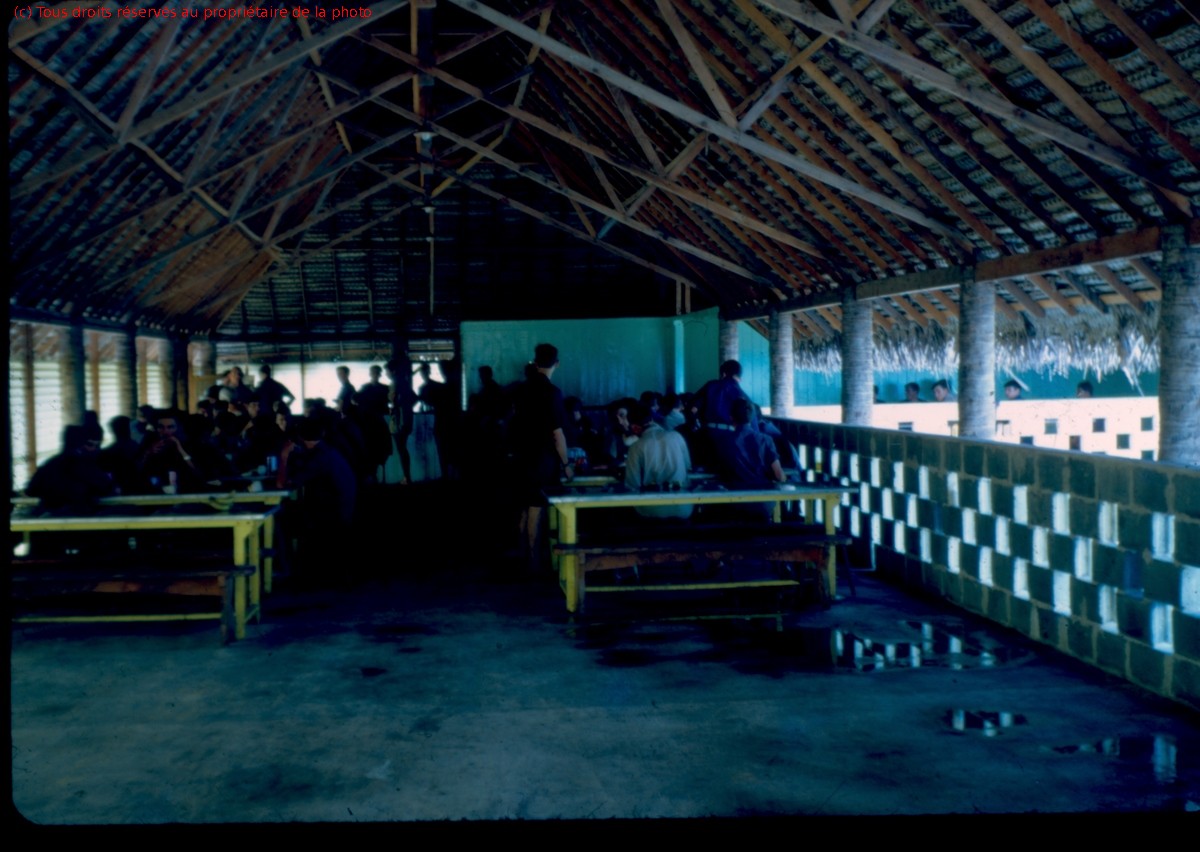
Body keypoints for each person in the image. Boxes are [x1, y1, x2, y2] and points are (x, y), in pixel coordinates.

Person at [508, 343, 571, 574]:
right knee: (536, 507)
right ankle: (534, 561)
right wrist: (566, 464)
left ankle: (522, 553)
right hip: (541, 458)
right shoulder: (552, 393)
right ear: (557, 364)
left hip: (519, 456)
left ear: (535, 363)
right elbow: (558, 434)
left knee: (524, 508)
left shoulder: (520, 390)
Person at [624, 402, 693, 520]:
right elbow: (688, 467)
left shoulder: (636, 447)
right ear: (651, 419)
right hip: (683, 507)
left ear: (634, 427)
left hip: (650, 510)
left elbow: (632, 484)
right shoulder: (677, 436)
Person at [721, 397, 785, 521]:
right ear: (752, 418)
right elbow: (779, 475)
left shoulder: (724, 442)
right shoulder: (766, 440)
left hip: (736, 503)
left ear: (731, 418)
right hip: (763, 503)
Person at [695, 359, 755, 474]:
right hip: (730, 437)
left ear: (723, 373)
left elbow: (692, 404)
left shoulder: (710, 385)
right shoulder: (741, 394)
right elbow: (750, 419)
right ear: (738, 376)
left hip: (706, 435)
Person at [385, 359, 418, 484]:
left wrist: (396, 407)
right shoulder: (404, 382)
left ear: (392, 371)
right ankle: (407, 477)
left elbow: (393, 402)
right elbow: (414, 397)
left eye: (387, 371)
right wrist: (407, 408)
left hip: (398, 421)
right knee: (403, 448)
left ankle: (407, 477)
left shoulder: (394, 383)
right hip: (405, 419)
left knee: (401, 449)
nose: (386, 374)